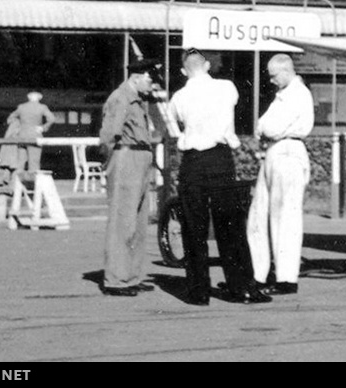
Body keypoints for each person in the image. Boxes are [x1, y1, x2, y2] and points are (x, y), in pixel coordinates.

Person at [165, 49, 269, 306]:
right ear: (208, 65)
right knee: (231, 226)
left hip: (193, 163)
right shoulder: (226, 88)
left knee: (194, 228)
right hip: (221, 160)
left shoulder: (178, 97)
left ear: (182, 71)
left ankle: (198, 291)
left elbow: (173, 124)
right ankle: (242, 287)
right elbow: (233, 104)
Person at [247, 54, 314, 295]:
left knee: (284, 216)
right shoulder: (283, 96)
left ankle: (286, 278)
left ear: (286, 71)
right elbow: (263, 126)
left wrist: (263, 129)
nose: (272, 81)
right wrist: (263, 129)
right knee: (260, 214)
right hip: (275, 153)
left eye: (274, 76)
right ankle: (259, 273)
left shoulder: (297, 94)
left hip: (288, 152)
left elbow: (270, 127)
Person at [98, 61, 164, 297]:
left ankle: (131, 275)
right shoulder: (121, 98)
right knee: (122, 220)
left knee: (137, 221)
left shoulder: (138, 99)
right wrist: (111, 164)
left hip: (140, 157)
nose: (152, 85)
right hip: (126, 156)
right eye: (149, 79)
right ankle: (116, 279)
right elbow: (108, 136)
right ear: (136, 77)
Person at [6, 91, 55, 173]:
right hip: (34, 136)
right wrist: (43, 128)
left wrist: (19, 127)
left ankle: (18, 184)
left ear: (28, 97)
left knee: (20, 163)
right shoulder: (42, 107)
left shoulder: (21, 107)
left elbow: (10, 119)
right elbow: (52, 119)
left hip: (22, 136)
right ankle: (33, 184)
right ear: (39, 98)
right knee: (34, 163)